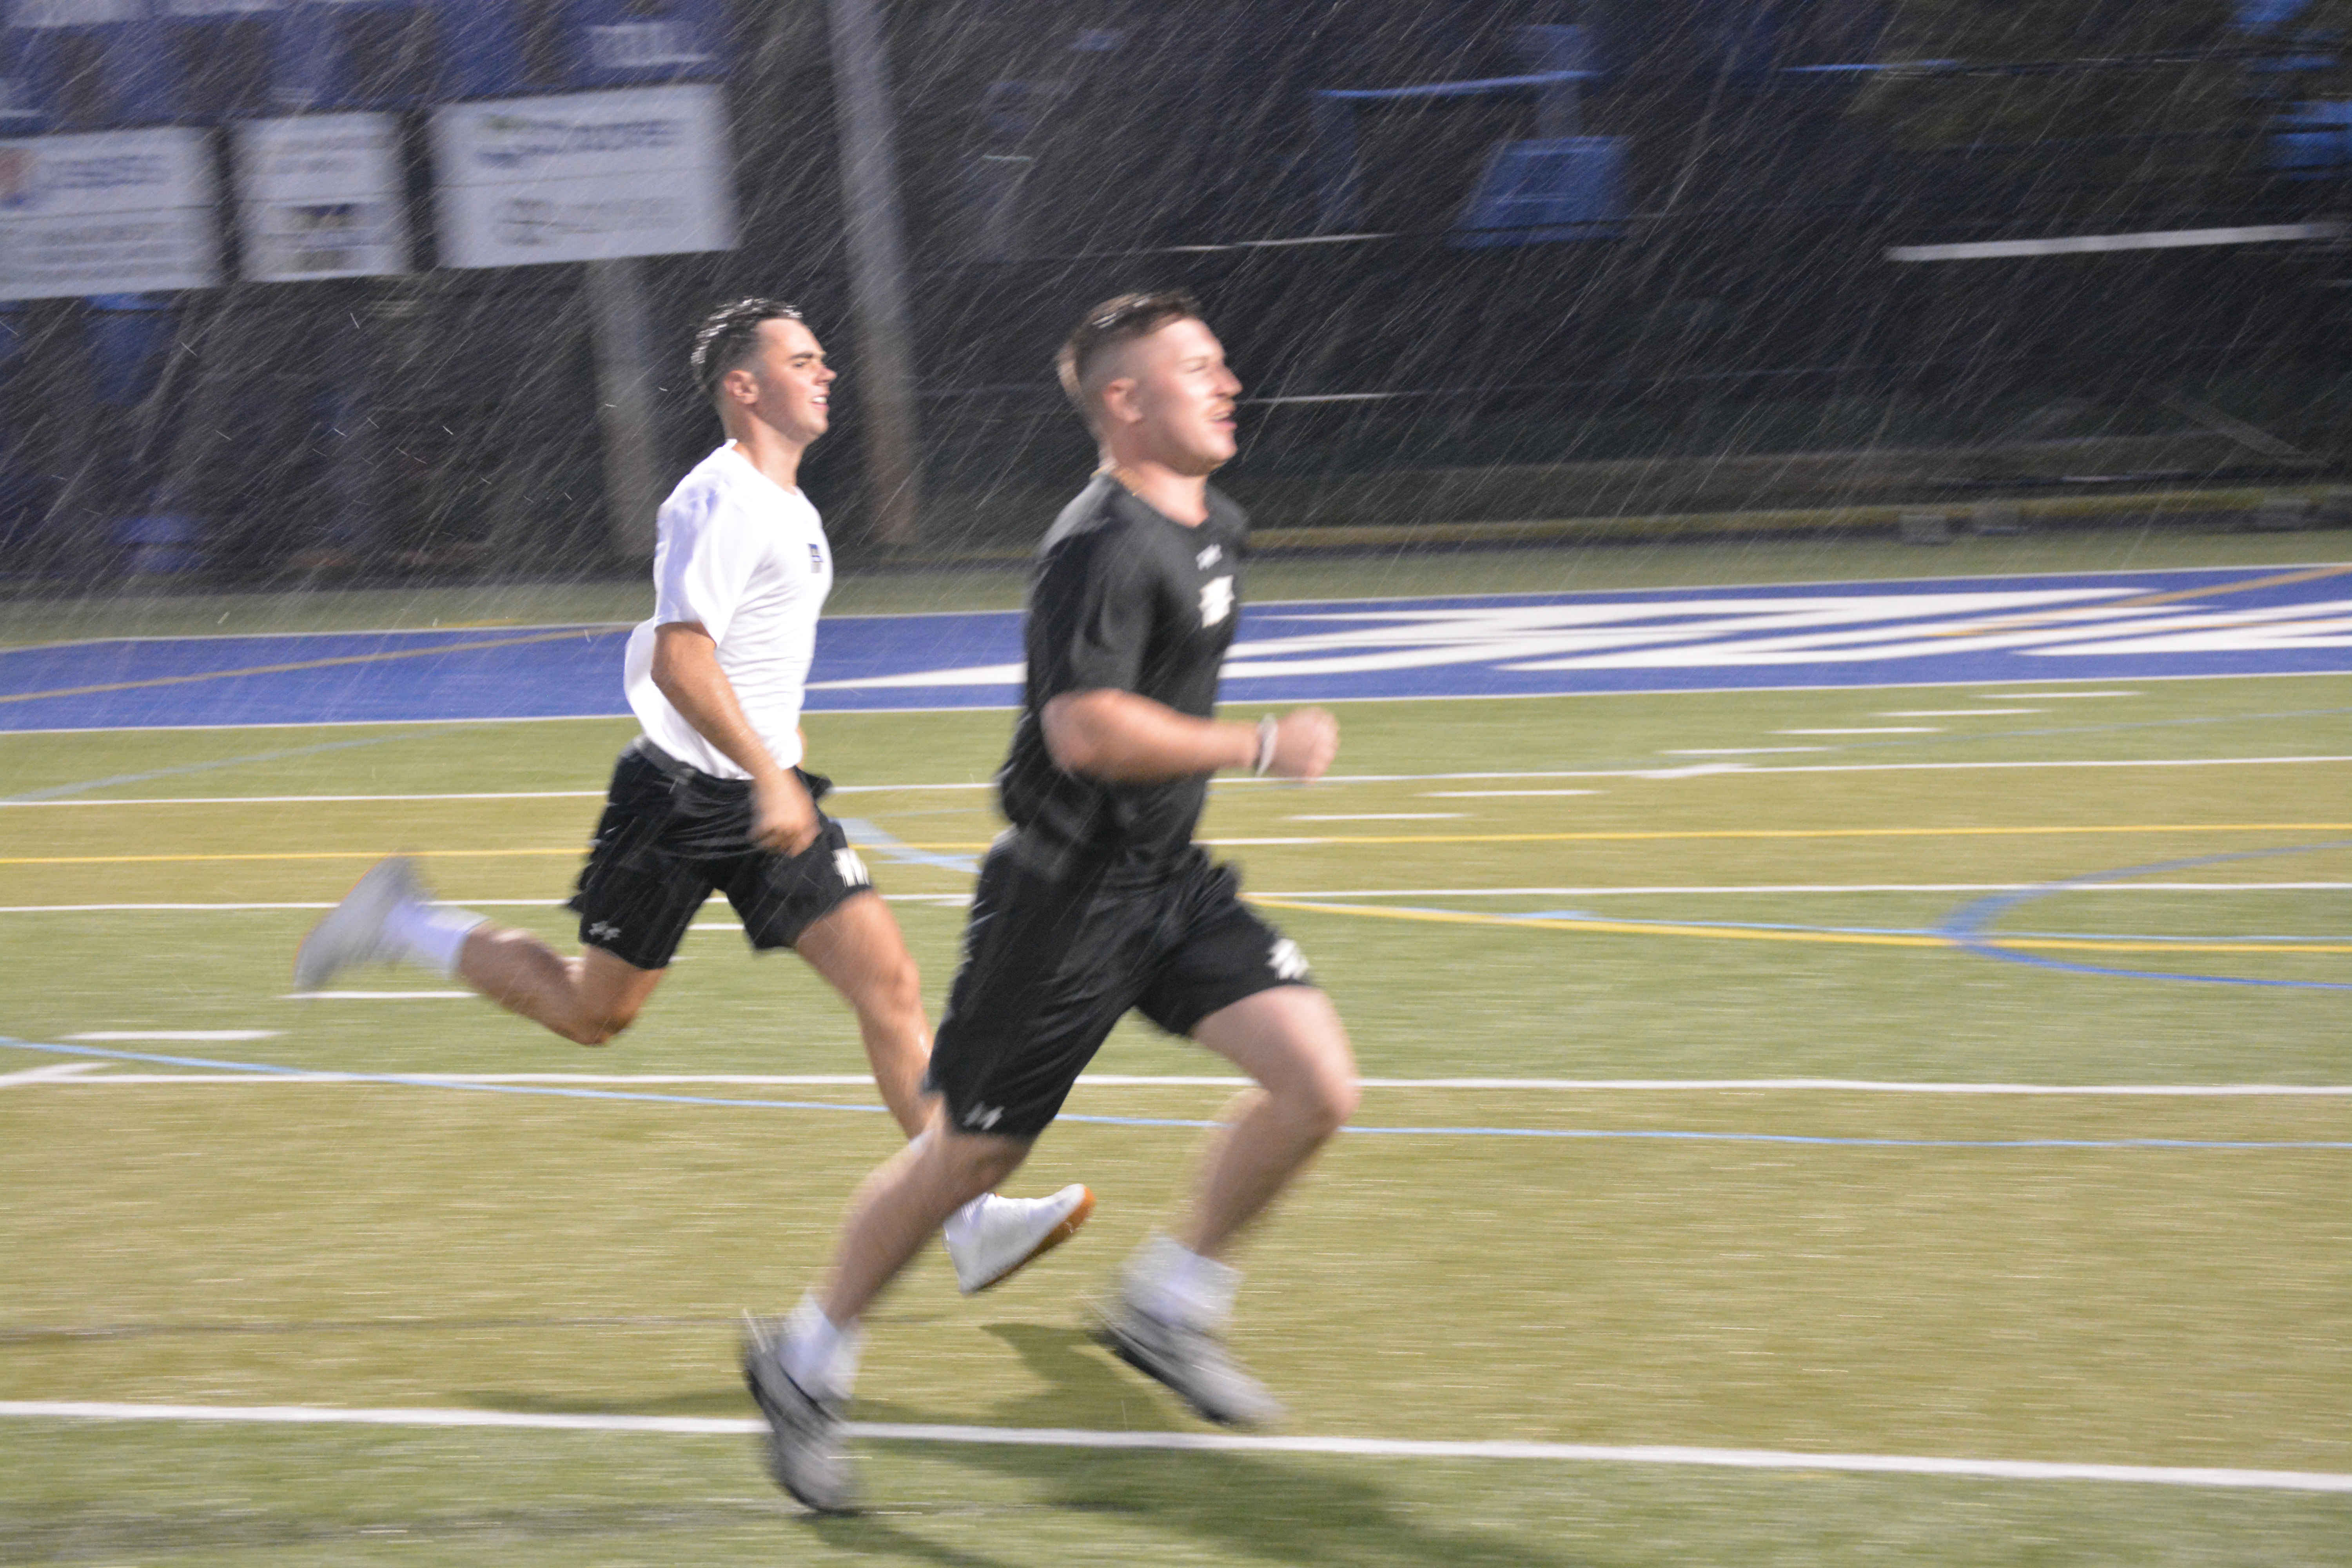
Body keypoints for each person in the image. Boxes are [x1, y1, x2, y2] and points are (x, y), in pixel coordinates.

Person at [293, 297, 1094, 1298]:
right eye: (804, 359)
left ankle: (969, 1217)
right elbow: (681, 659)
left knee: (887, 983)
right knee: (595, 1013)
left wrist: (776, 772)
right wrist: (767, 773)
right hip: (678, 799)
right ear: (743, 386)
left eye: (823, 359)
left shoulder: (791, 506)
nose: (828, 372)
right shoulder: (716, 501)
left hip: (765, 798)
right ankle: (402, 920)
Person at [743, 290, 1359, 1513]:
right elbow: (1083, 729)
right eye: (1200, 366)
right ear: (1126, 400)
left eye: (1224, 360)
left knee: (1318, 1084)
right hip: (1064, 902)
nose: (1229, 382)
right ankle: (806, 1361)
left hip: (1167, 886)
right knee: (968, 1157)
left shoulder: (1216, 522)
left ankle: (1169, 1306)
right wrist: (1253, 748)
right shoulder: (1099, 544)